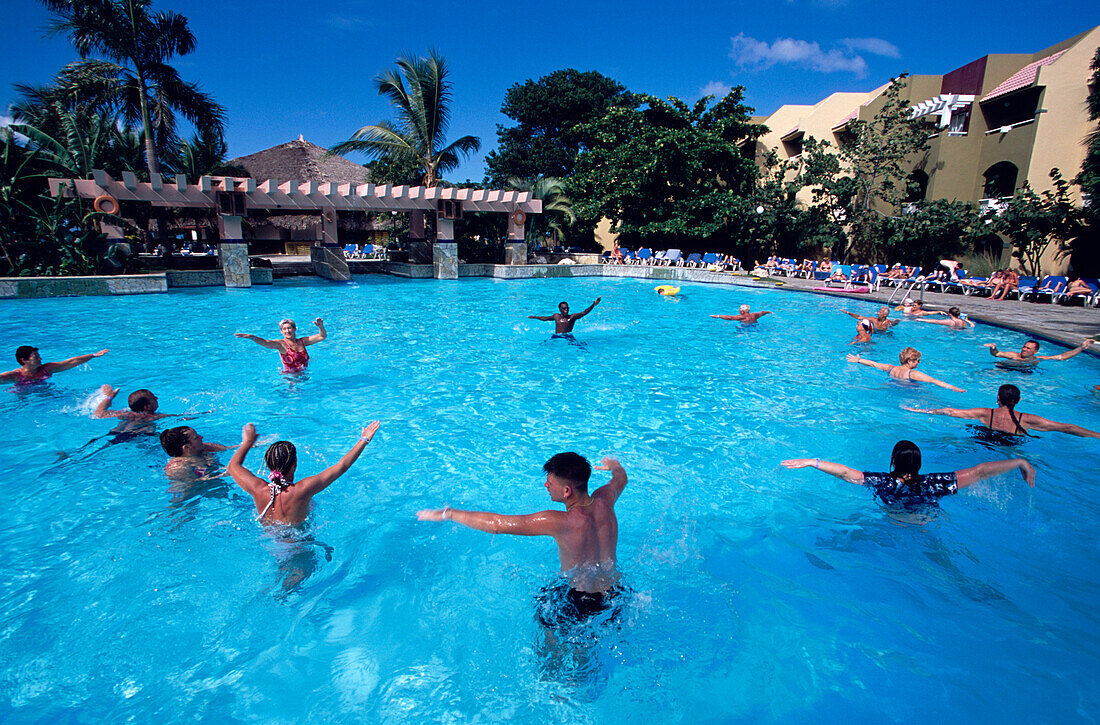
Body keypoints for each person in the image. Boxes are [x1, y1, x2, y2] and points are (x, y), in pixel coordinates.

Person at [417, 454, 628, 620]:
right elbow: (621, 478)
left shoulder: (560, 521)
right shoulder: (605, 499)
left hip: (580, 601)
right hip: (616, 593)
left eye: (550, 483)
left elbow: (497, 525)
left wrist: (449, 513)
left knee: (553, 652)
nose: (546, 486)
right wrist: (614, 465)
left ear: (566, 491)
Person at [781, 440, 1034, 505]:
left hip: (894, 524)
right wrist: (1019, 462)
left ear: (893, 460)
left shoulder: (883, 482)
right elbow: (980, 472)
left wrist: (812, 461)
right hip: (926, 523)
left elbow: (847, 473)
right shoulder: (935, 483)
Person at [227, 420, 381, 525]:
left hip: (270, 544)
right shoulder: (302, 490)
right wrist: (364, 439)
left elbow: (233, 466)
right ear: (295, 463)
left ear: (268, 465)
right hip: (298, 547)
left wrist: (247, 442)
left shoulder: (257, 489)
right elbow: (342, 466)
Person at [904, 384, 1100, 439]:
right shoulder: (1028, 419)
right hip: (1012, 444)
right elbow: (1066, 427)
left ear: (998, 398)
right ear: (1018, 401)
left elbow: (949, 411)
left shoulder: (985, 413)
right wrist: (1096, 435)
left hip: (985, 441)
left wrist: (918, 411)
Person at [846, 347, 964, 391]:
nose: (919, 362)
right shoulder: (913, 373)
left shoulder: (891, 368)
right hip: (907, 391)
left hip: (891, 387)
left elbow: (874, 364)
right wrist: (953, 388)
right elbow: (934, 381)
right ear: (910, 361)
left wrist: (859, 360)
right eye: (917, 360)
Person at [235, 318, 327, 371]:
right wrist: (251, 337)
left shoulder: (303, 341)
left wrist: (321, 327)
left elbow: (322, 336)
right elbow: (265, 342)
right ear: (281, 331)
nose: (287, 331)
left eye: (289, 328)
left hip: (306, 374)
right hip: (290, 379)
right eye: (284, 329)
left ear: (295, 329)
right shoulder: (281, 344)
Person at [160, 425, 235, 482]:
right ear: (187, 448)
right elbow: (195, 484)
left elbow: (226, 449)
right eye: (196, 437)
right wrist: (226, 473)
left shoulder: (200, 448)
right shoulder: (178, 467)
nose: (201, 437)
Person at [1, 346, 108, 384]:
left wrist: (93, 355)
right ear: (24, 360)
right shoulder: (14, 375)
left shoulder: (46, 369)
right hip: (25, 399)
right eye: (36, 357)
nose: (40, 359)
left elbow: (71, 362)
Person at [984, 338, 1094, 366]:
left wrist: (1081, 348)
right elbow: (997, 354)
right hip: (1006, 369)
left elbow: (1061, 357)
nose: (1024, 349)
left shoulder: (1037, 359)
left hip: (1025, 373)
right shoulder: (1013, 355)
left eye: (1028, 348)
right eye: (1024, 347)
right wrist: (993, 348)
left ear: (1035, 351)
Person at [528, 298, 602, 334]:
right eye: (564, 308)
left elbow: (584, 312)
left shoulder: (572, 317)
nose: (566, 310)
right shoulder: (556, 316)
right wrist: (534, 317)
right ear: (560, 309)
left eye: (567, 308)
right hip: (557, 336)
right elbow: (545, 318)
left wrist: (593, 305)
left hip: (568, 336)